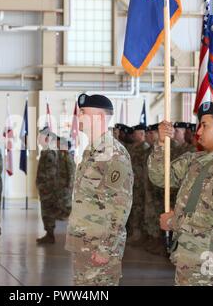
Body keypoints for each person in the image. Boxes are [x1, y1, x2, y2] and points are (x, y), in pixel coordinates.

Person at [148, 102, 213, 285]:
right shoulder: (196, 160)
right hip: (189, 251)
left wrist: (173, 221)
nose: (198, 131)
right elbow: (160, 177)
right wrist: (161, 143)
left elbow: (212, 217)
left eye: (204, 125)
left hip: (206, 254)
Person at [65, 93, 133, 286]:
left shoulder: (114, 154)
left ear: (100, 118)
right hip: (85, 242)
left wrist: (105, 248)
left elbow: (120, 206)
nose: (79, 117)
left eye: (83, 113)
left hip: (100, 246)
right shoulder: (91, 151)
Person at [143, 124, 167, 256]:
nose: (149, 136)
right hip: (150, 187)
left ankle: (161, 242)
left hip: (159, 189)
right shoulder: (150, 150)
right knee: (151, 215)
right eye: (148, 134)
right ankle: (154, 239)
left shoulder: (167, 148)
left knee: (159, 215)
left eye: (152, 133)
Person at [36, 127, 60, 244]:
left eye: (40, 136)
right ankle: (49, 234)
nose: (38, 139)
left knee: (48, 211)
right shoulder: (46, 151)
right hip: (45, 188)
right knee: (46, 212)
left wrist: (45, 187)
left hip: (48, 189)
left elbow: (51, 173)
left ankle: (50, 235)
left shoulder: (49, 152)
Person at [127, 124, 149, 245]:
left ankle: (138, 234)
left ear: (141, 134)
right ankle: (134, 233)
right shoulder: (134, 147)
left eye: (136, 133)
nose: (133, 135)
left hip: (140, 182)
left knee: (139, 208)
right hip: (132, 182)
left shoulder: (144, 147)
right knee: (134, 207)